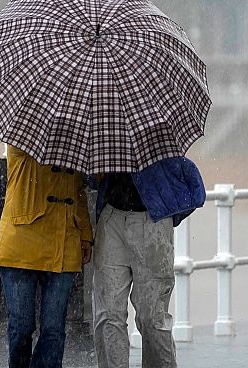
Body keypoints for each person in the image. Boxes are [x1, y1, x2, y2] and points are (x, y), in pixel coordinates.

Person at [91, 157, 205, 368]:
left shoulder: (156, 136)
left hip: (152, 220)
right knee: (108, 312)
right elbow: (91, 180)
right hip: (112, 217)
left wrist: (165, 211)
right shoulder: (106, 136)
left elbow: (195, 190)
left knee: (151, 316)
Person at [0, 144, 94, 368]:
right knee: (21, 326)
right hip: (21, 242)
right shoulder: (24, 133)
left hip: (64, 240)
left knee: (54, 330)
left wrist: (85, 234)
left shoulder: (77, 142)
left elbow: (78, 192)